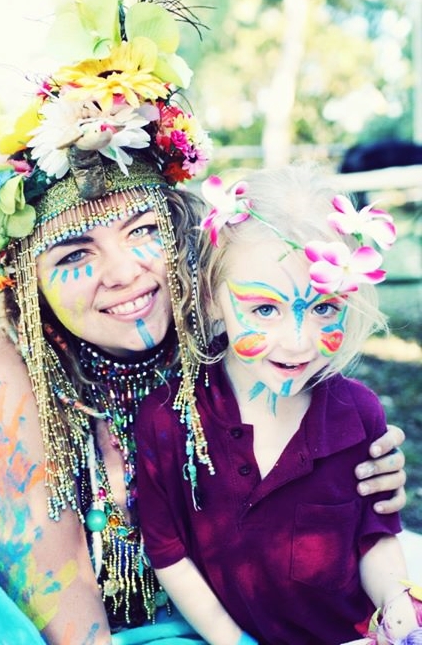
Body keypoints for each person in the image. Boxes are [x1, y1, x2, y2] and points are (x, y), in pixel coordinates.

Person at [0, 0, 406, 645]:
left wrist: (357, 469)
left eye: (144, 231)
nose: (125, 274)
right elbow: (72, 630)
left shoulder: (210, 332)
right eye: (74, 255)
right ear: (25, 281)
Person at [136, 164, 421, 645]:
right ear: (211, 298)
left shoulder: (357, 414)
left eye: (324, 308)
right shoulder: (169, 419)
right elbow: (169, 554)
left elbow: (375, 538)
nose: (298, 342)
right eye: (264, 309)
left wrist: (397, 608)